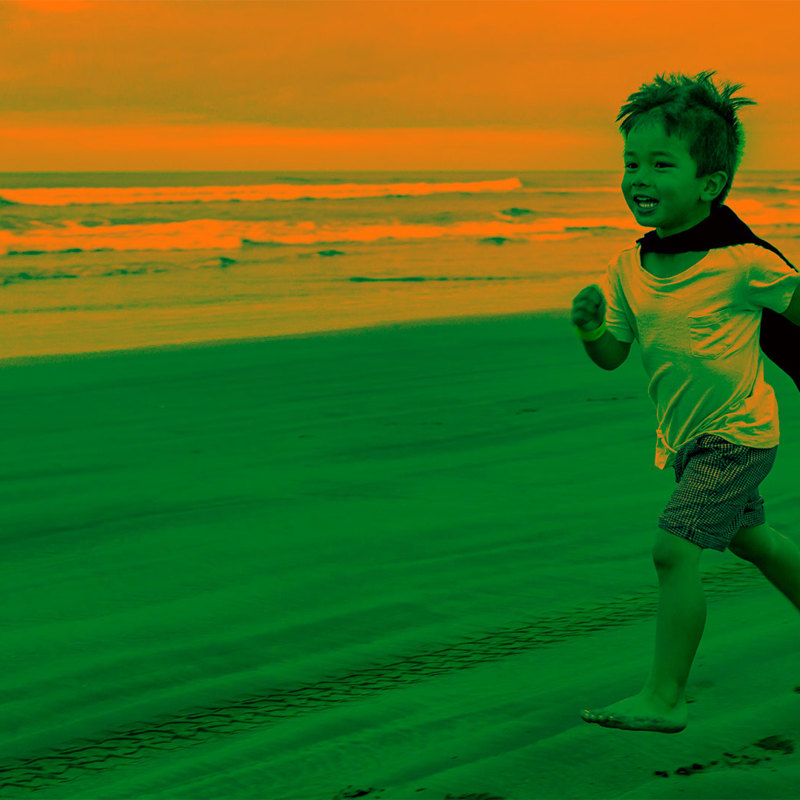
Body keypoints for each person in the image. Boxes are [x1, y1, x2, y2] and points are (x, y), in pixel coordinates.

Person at [571, 70, 800, 733]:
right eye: (630, 163)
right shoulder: (628, 266)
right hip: (687, 439)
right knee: (759, 543)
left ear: (708, 184)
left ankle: (664, 697)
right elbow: (614, 353)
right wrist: (590, 329)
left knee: (674, 551)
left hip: (739, 436)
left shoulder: (740, 262)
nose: (638, 177)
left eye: (660, 164)